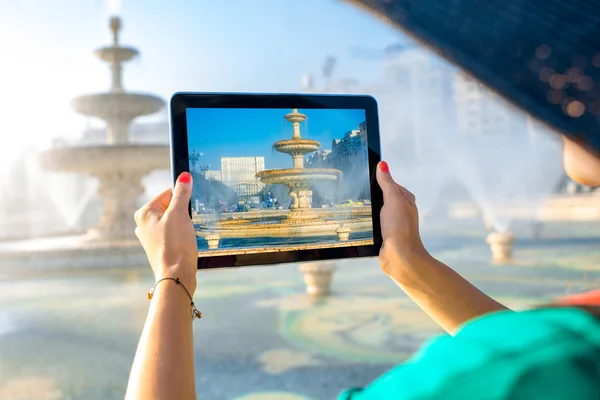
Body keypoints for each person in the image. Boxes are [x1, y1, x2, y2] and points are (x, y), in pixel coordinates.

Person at [125, 1, 600, 398]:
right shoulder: (560, 355)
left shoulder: (494, 377)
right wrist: (409, 261)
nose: (547, 95)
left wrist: (172, 277)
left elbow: (528, 360)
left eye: (574, 74)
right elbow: (526, 347)